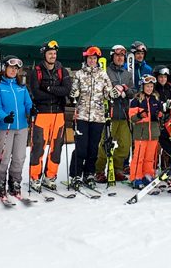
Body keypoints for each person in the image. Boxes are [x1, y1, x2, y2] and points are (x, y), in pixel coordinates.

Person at [26, 40, 72, 191]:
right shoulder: (36, 71)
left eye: (54, 53)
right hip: (42, 114)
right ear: (44, 54)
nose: (53, 56)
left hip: (58, 113)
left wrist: (48, 88)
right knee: (38, 147)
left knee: (56, 148)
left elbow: (66, 90)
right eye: (50, 53)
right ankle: (35, 177)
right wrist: (55, 92)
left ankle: (50, 176)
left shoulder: (62, 71)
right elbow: (36, 93)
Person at [0, 56, 34, 199]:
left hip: (22, 126)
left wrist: (31, 110)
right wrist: (4, 116)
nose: (13, 70)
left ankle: (14, 182)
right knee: (4, 156)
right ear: (4, 68)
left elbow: (27, 104)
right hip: (5, 127)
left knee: (19, 157)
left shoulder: (21, 87)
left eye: (16, 68)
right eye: (11, 67)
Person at [68, 47, 108, 189]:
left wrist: (117, 91)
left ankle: (89, 173)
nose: (92, 61)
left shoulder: (103, 74)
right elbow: (72, 94)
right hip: (82, 116)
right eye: (90, 58)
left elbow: (108, 93)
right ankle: (76, 175)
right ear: (86, 59)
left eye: (94, 58)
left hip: (98, 117)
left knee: (93, 148)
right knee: (81, 147)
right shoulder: (79, 74)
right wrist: (74, 92)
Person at [96, 44, 135, 182]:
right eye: (117, 55)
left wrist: (125, 92)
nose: (120, 58)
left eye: (122, 56)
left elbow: (133, 92)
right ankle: (99, 170)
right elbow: (99, 91)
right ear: (112, 56)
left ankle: (117, 168)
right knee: (104, 144)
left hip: (123, 114)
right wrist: (111, 92)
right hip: (109, 114)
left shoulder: (127, 74)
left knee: (125, 144)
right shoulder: (105, 71)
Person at [128, 75, 164, 189]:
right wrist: (139, 115)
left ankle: (147, 175)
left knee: (150, 157)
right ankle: (136, 177)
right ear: (142, 86)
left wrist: (160, 115)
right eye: (147, 86)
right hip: (141, 133)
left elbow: (161, 114)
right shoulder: (136, 100)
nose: (149, 88)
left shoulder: (156, 99)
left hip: (153, 133)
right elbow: (132, 118)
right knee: (139, 157)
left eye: (151, 86)